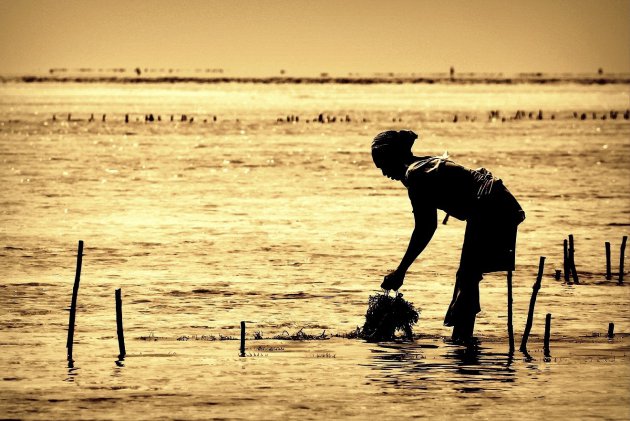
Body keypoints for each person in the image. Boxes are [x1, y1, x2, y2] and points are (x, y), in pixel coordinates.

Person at [371, 130, 525, 343]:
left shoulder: (415, 175)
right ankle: (462, 339)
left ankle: (462, 340)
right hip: (495, 203)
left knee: (467, 275)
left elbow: (425, 228)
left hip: (491, 205)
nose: (384, 173)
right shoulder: (423, 166)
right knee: (467, 275)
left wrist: (401, 271)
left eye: (383, 165)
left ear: (394, 157)